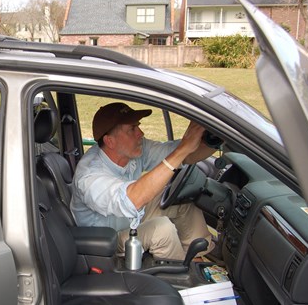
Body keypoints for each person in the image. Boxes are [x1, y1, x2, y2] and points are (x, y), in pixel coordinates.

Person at [70, 102, 215, 260]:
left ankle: (199, 259)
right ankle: (184, 280)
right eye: (132, 129)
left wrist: (214, 139)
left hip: (127, 219)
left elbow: (181, 155)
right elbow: (131, 200)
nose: (141, 133)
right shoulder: (90, 176)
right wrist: (183, 149)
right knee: (162, 230)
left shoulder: (130, 150)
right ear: (110, 141)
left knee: (182, 200)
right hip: (107, 240)